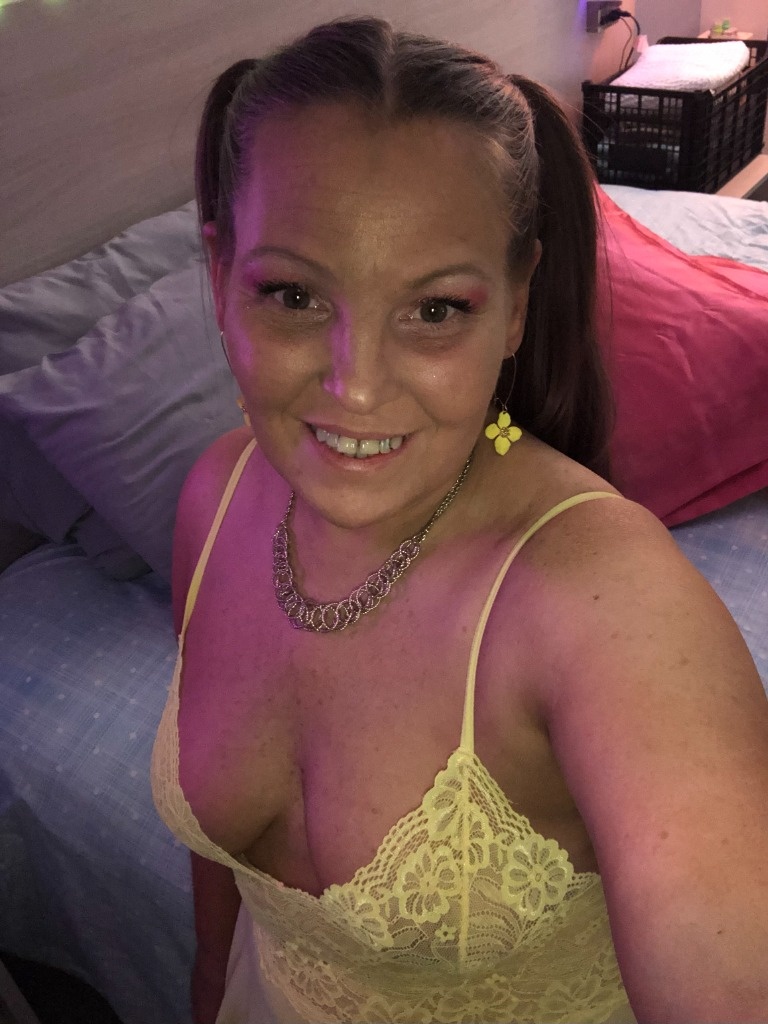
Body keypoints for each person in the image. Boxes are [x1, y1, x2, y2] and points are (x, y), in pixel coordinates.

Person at [151, 16, 768, 1024]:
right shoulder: (214, 501)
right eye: (294, 294)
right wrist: (206, 978)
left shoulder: (609, 601)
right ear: (221, 279)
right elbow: (224, 895)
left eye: (436, 309)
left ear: (515, 307)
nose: (356, 385)